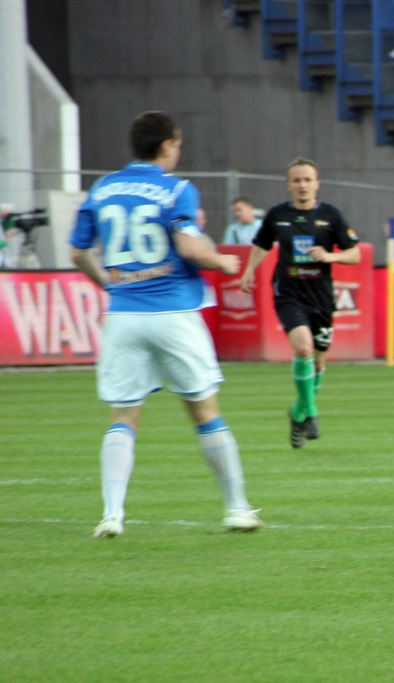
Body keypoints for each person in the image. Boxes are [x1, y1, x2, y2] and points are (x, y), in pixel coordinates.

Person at [68, 111, 261, 538]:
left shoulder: (102, 188)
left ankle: (112, 514)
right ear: (168, 145)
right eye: (178, 144)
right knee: (204, 411)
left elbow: (77, 252)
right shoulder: (176, 189)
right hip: (173, 313)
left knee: (123, 416)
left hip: (124, 316)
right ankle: (237, 508)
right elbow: (189, 246)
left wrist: (110, 284)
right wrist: (220, 261)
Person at [240, 158, 361, 448]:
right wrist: (249, 269)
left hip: (321, 298)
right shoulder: (278, 215)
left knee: (318, 363)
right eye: (297, 180)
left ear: (317, 184)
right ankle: (312, 412)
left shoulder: (330, 215)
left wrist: (330, 256)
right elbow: (262, 244)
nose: (302, 185)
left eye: (307, 180)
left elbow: (354, 254)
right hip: (288, 294)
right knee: (303, 348)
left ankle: (298, 412)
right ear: (289, 185)